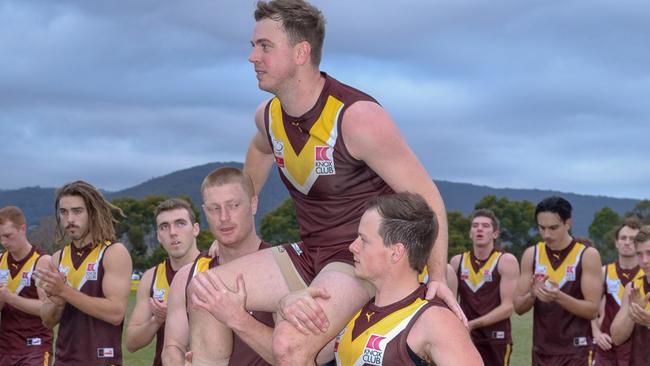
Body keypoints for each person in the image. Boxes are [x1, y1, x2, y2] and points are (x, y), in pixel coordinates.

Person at [188, 1, 456, 364]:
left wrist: (438, 276)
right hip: (311, 252)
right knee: (205, 290)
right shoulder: (267, 117)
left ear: (301, 52)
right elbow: (259, 151)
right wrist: (238, 225)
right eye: (253, 46)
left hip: (358, 257)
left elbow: (428, 198)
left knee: (290, 344)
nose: (252, 57)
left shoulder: (357, 118)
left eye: (264, 46)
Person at [333, 193, 482, 365]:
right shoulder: (356, 307)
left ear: (396, 252)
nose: (352, 247)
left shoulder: (435, 320)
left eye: (364, 240)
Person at [163, 167, 275, 366]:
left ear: (253, 204)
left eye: (233, 205)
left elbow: (297, 354)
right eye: (215, 208)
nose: (224, 217)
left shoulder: (280, 267)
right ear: (205, 212)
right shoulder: (188, 276)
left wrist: (237, 318)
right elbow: (173, 347)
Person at [36, 180, 132, 365]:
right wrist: (57, 302)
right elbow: (48, 321)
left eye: (77, 211)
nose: (69, 219)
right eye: (63, 212)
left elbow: (115, 313)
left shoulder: (113, 252)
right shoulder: (57, 258)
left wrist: (64, 291)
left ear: (92, 213)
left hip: (101, 360)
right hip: (64, 359)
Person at [513, 196, 602, 366]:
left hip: (577, 351)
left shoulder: (587, 255)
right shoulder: (532, 255)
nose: (547, 234)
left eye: (553, 228)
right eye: (542, 228)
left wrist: (558, 296)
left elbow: (592, 310)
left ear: (568, 223)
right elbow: (518, 307)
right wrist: (532, 294)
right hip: (542, 351)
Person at [125, 198, 201, 366]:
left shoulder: (214, 268)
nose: (172, 232)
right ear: (158, 236)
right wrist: (156, 320)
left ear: (195, 229)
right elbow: (131, 343)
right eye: (164, 227)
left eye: (180, 223)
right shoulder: (151, 277)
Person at [449, 209, 519, 366]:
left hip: (495, 338)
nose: (479, 229)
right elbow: (450, 302)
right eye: (475, 226)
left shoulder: (506, 261)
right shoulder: (457, 262)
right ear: (470, 233)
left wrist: (473, 324)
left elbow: (508, 307)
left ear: (495, 234)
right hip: (465, 337)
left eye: (486, 226)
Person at [0, 206, 53, 366]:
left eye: (8, 236)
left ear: (23, 229)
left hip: (35, 347)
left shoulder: (42, 261)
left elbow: (47, 309)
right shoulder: (1, 260)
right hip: (5, 348)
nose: (4, 242)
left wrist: (10, 298)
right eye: (1, 237)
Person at [592, 217, 643, 366]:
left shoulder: (646, 275)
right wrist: (596, 333)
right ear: (616, 242)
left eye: (632, 239)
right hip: (608, 351)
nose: (627, 242)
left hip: (639, 351)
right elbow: (591, 307)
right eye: (623, 238)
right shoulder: (605, 272)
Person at [610, 225, 650, 366]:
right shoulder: (633, 288)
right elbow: (616, 338)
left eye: (649, 253)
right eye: (639, 254)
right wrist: (632, 313)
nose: (644, 261)